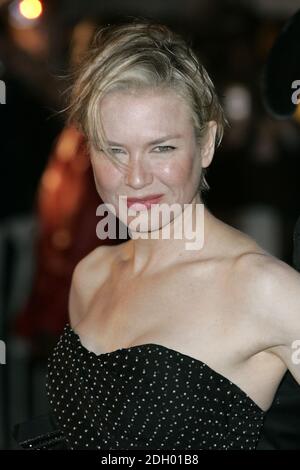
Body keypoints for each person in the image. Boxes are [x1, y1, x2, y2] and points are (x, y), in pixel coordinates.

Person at [45, 19, 300, 450]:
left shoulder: (265, 289)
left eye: (162, 147)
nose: (137, 177)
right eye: (114, 150)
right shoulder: (90, 275)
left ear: (207, 145)